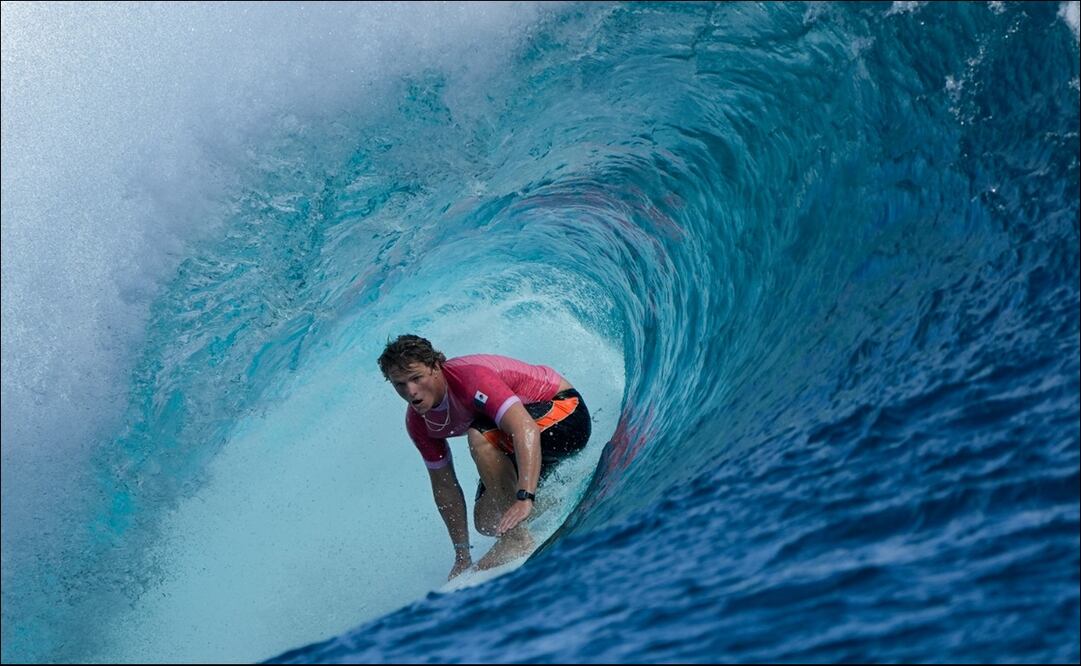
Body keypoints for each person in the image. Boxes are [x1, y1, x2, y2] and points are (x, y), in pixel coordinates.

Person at [378, 334, 591, 579]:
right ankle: (560, 497)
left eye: (416, 378)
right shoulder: (418, 423)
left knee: (479, 436)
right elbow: (445, 485)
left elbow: (525, 428)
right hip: (523, 440)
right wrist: (462, 555)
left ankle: (517, 539)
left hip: (566, 414)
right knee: (487, 521)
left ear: (436, 367)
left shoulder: (470, 378)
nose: (411, 391)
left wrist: (524, 497)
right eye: (400, 384)